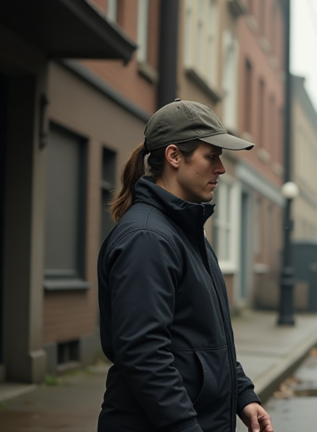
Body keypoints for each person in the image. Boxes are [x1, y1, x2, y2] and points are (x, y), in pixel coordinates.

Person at [97, 99, 274, 432]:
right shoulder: (148, 238)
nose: (220, 168)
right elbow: (144, 355)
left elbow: (209, 337)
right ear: (174, 156)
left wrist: (243, 396)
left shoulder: (186, 233)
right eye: (211, 156)